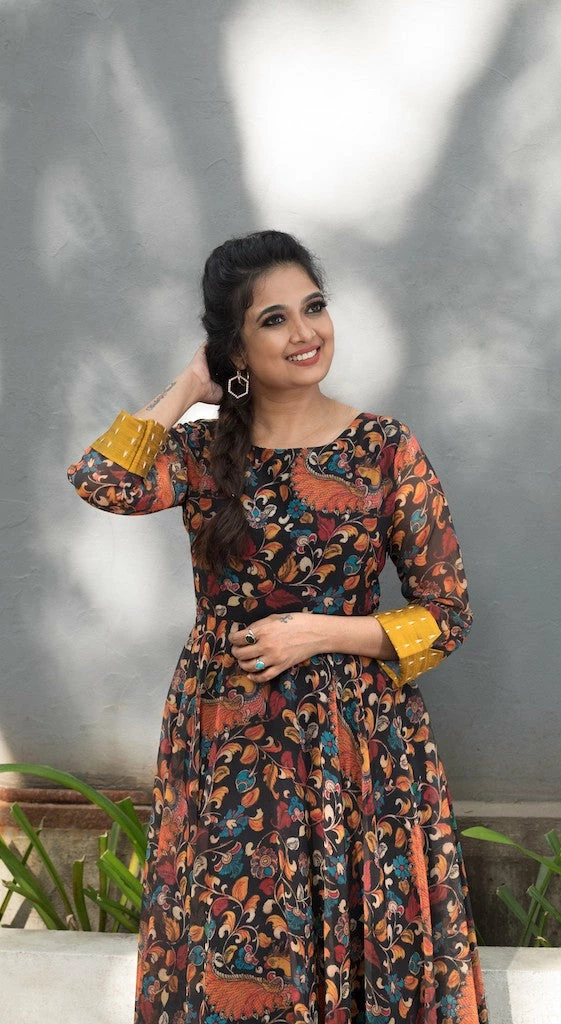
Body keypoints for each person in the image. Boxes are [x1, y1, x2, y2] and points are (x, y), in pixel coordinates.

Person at [67, 229, 487, 1024]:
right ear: (234, 347)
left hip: (356, 743)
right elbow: (100, 481)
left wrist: (318, 632)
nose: (304, 333)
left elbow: (445, 616)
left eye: (313, 307)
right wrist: (188, 386)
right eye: (272, 319)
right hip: (228, 740)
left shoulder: (384, 448)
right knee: (238, 937)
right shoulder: (200, 451)